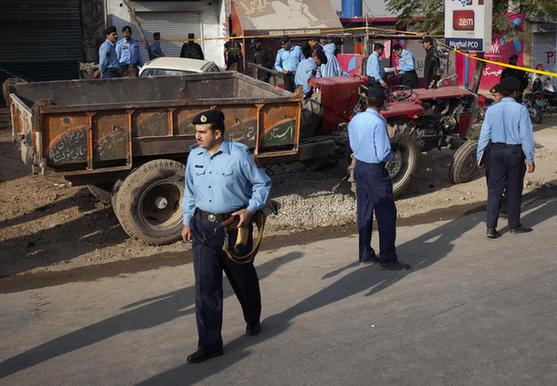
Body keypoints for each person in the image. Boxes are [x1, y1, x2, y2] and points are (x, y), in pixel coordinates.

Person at [181, 109, 272, 364]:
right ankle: (210, 344)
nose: (197, 136)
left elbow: (263, 184)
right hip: (202, 227)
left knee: (243, 280)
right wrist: (186, 221)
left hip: (234, 227)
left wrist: (250, 209)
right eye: (196, 132)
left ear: (218, 133)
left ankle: (253, 318)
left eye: (202, 132)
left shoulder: (239, 155)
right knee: (205, 288)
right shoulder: (194, 156)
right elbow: (189, 191)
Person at [347, 88, 411, 271]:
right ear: (382, 104)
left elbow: (352, 144)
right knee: (386, 214)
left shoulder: (356, 119)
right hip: (375, 171)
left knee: (364, 211)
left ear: (366, 102)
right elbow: (383, 152)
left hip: (359, 167)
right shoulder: (378, 122)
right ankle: (388, 258)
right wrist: (391, 155)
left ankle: (365, 253)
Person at [476, 77, 535, 239]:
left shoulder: (491, 109)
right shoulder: (521, 110)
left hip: (495, 152)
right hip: (514, 153)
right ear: (515, 93)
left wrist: (479, 154)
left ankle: (490, 227)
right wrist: (530, 158)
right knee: (514, 189)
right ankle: (514, 224)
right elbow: (525, 136)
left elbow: (484, 134)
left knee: (494, 190)